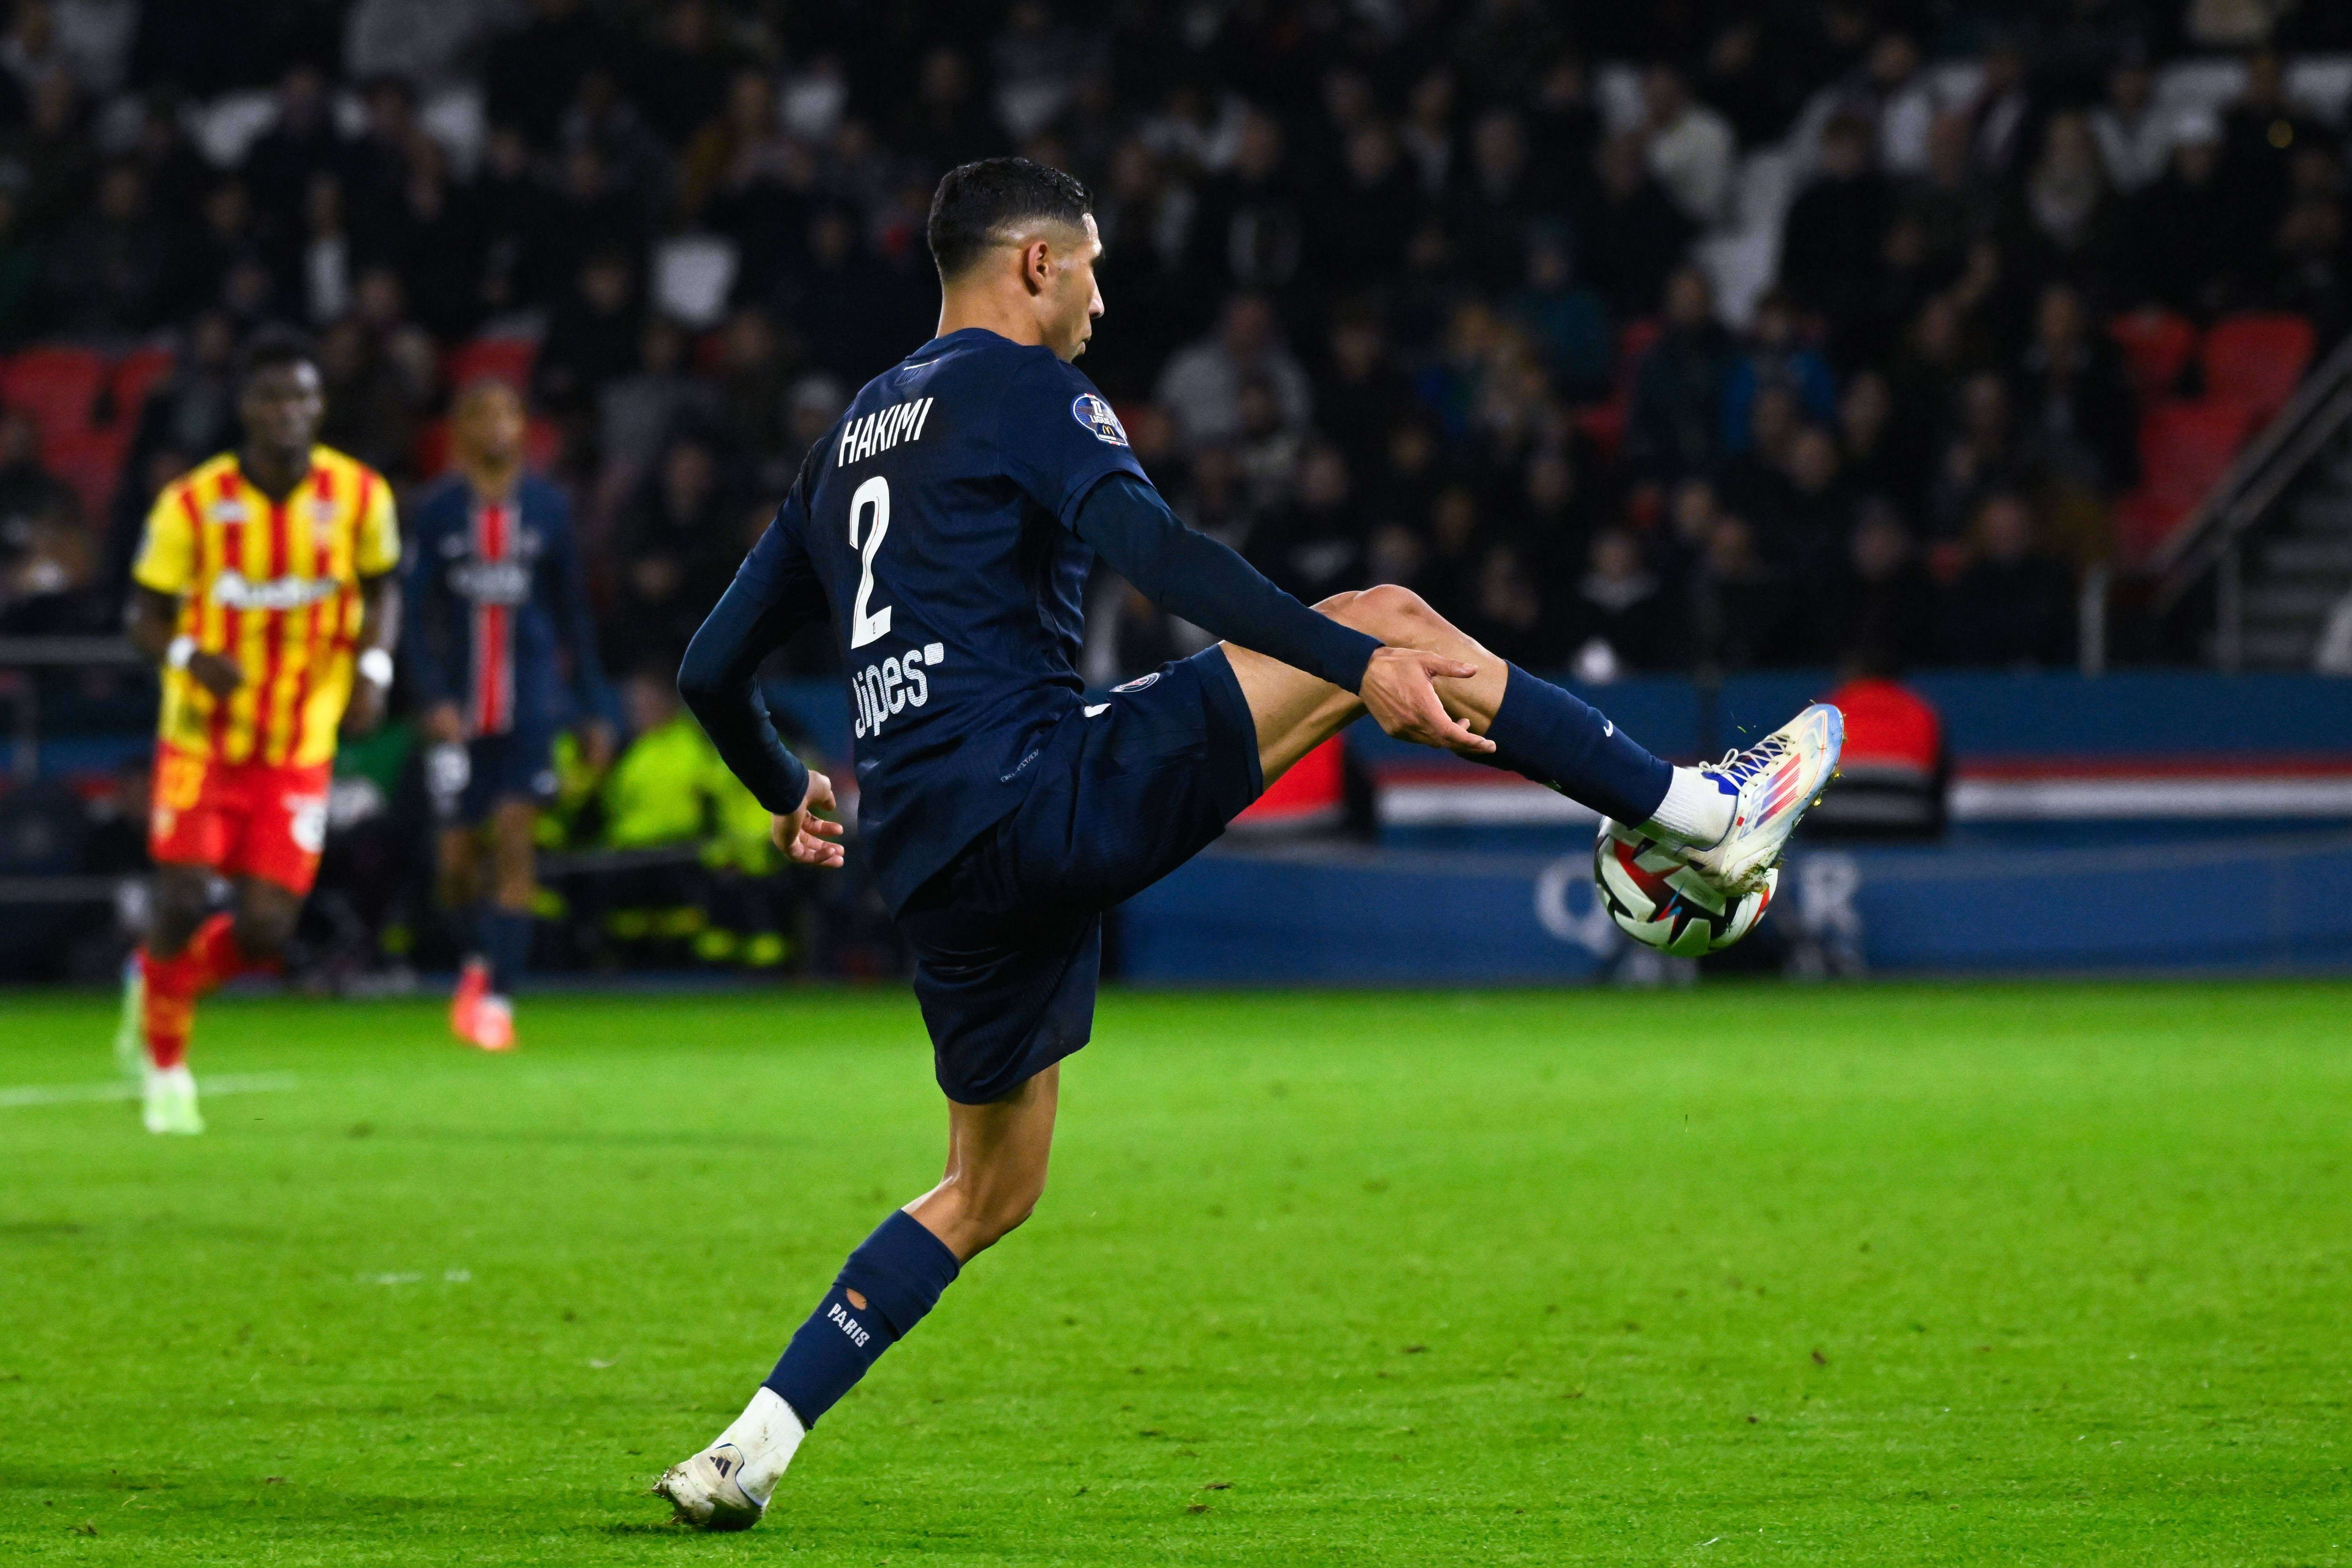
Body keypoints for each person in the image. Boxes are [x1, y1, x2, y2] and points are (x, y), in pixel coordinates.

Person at [652, 159, 1845, 1530]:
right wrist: (1356, 665)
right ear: (1034, 263)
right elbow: (1166, 563)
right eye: (1091, 262)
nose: (1104, 293)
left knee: (990, 1190)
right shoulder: (1022, 391)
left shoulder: (847, 439)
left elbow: (709, 669)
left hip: (926, 860)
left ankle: (751, 1443)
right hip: (1041, 792)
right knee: (1392, 615)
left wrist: (780, 782)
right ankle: (1703, 815)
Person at [112, 328, 402, 1134]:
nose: (288, 412)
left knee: (268, 927)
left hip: (298, 741)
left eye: (302, 398)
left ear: (320, 406)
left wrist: (373, 671)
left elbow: (383, 590)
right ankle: (168, 1070)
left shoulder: (360, 496)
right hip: (203, 736)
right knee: (180, 893)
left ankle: (158, 980)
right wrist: (187, 654)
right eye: (273, 397)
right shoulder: (193, 504)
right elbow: (141, 613)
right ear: (247, 406)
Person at [402, 379, 613, 1052]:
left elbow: (575, 615)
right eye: (483, 414)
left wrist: (592, 709)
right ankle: (477, 965)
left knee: (516, 838)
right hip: (459, 714)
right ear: (461, 429)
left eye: (509, 413)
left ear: (524, 427)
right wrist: (431, 695)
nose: (498, 426)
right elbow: (410, 615)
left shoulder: (548, 509)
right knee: (456, 866)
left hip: (530, 706)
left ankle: (498, 1000)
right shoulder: (437, 512)